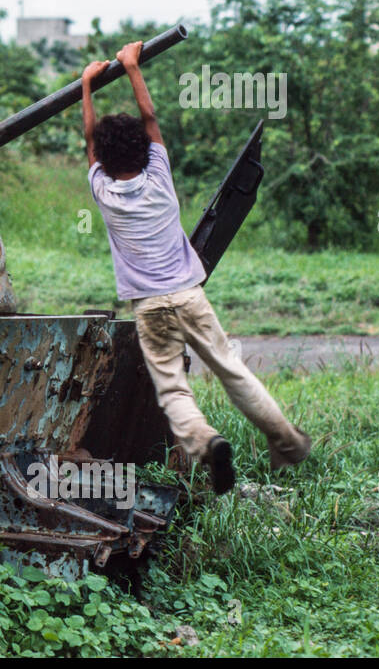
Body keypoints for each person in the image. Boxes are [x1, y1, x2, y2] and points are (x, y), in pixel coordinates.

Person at [80, 41, 312, 495]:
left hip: (149, 308)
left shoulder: (103, 192)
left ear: (104, 163)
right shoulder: (160, 176)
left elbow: (90, 141)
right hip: (189, 294)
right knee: (232, 369)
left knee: (173, 390)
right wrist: (131, 67)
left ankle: (207, 445)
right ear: (146, 152)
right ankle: (286, 441)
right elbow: (150, 120)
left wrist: (88, 85)